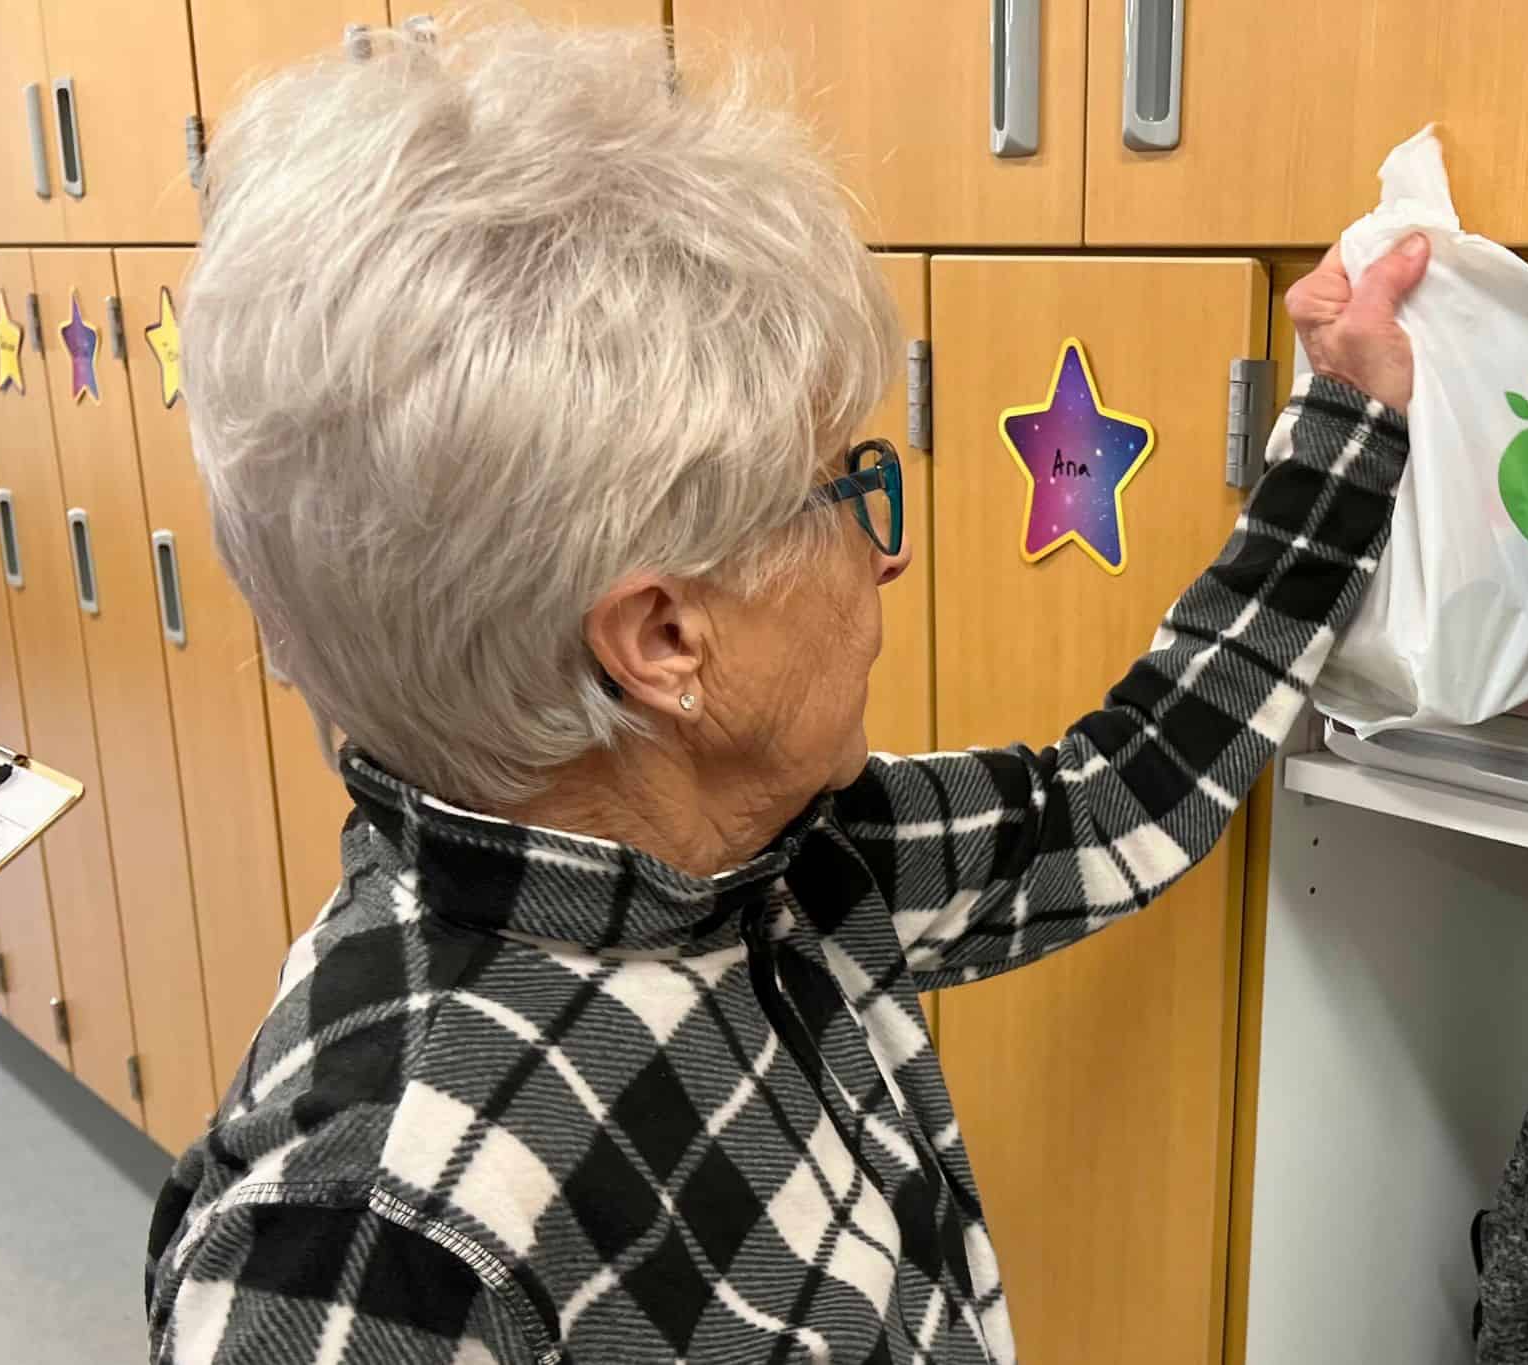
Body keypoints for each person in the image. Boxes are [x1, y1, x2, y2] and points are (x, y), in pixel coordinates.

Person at [145, 18, 1427, 1365]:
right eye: (844, 489)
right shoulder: (363, 1251)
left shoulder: (759, 861)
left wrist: (1344, 428)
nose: (891, 546)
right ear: (664, 637)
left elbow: (1106, 803)